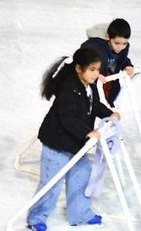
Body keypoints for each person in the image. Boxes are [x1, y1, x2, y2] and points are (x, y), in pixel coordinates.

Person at [25, 47, 116, 231]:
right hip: (57, 144)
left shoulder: (90, 85)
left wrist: (110, 113)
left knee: (81, 178)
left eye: (97, 70)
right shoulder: (68, 87)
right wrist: (88, 133)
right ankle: (36, 218)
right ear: (78, 68)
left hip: (76, 144)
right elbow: (68, 118)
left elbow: (94, 105)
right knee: (51, 183)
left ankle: (80, 213)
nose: (95, 74)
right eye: (92, 70)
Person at [82, 18, 135, 104]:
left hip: (107, 78)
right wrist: (94, 72)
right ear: (108, 37)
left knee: (109, 99)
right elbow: (84, 52)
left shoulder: (123, 48)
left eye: (124, 43)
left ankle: (108, 106)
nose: (121, 47)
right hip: (93, 77)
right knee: (93, 100)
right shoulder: (97, 45)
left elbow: (122, 59)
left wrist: (128, 65)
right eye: (117, 43)